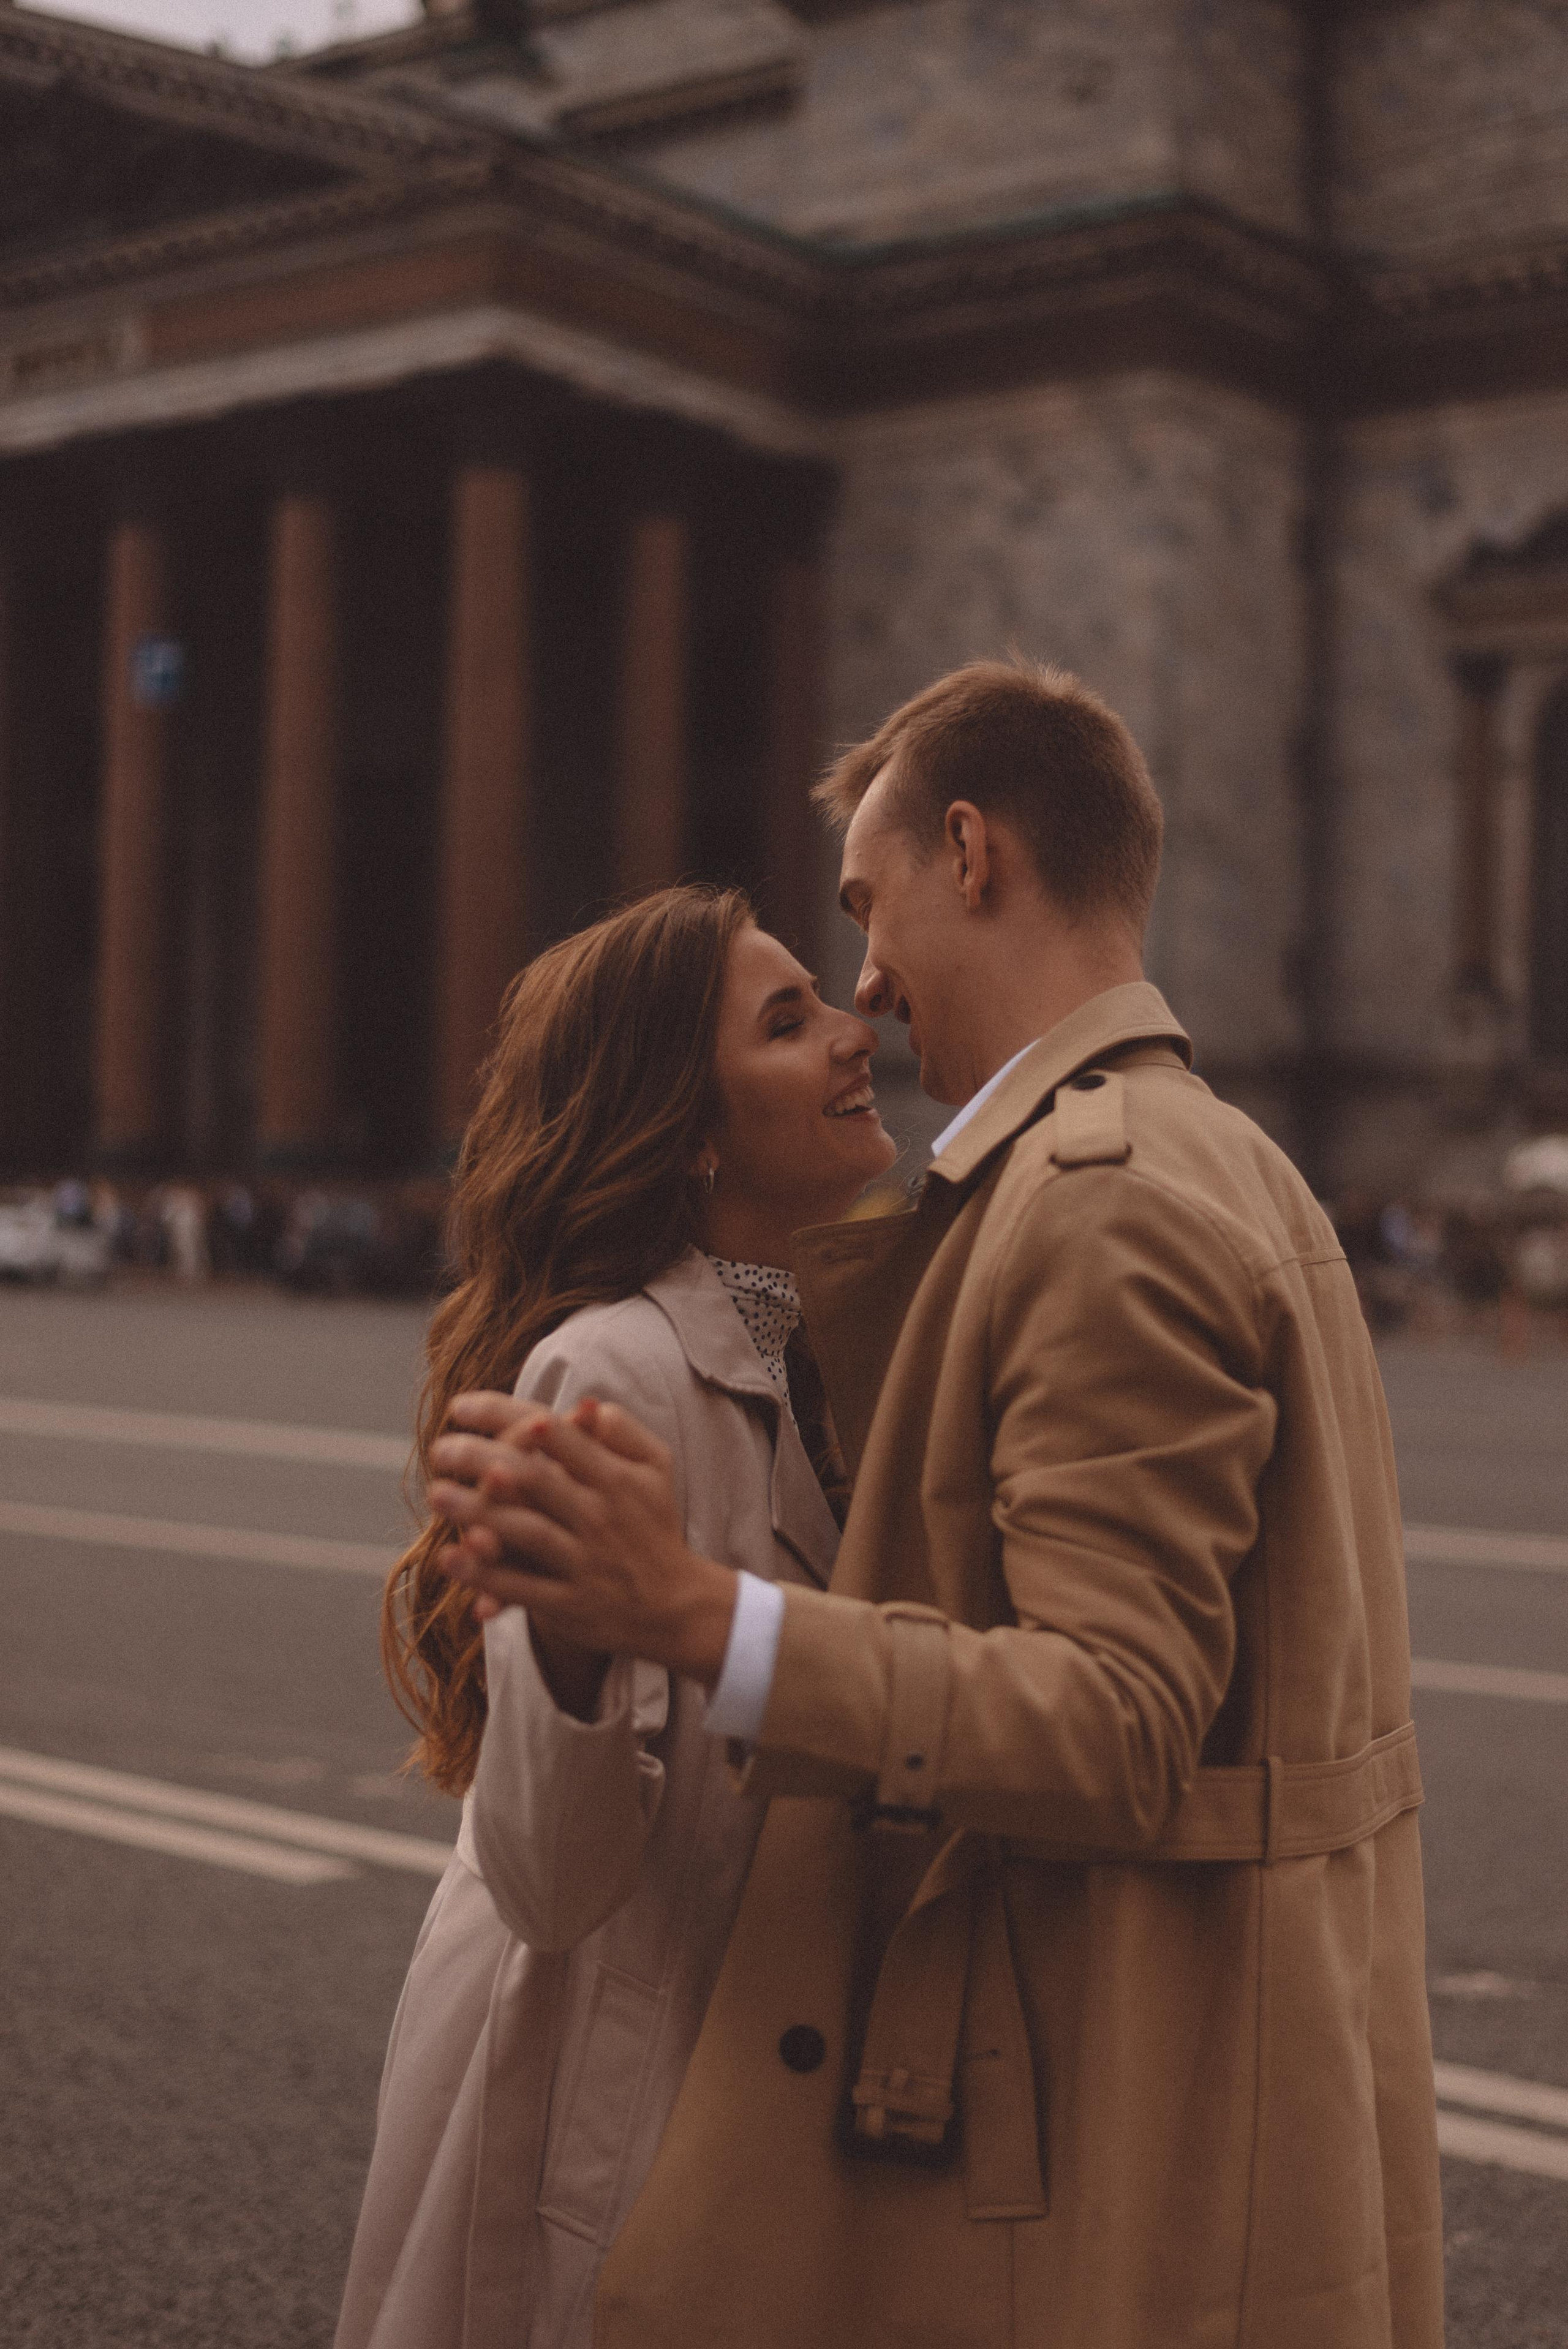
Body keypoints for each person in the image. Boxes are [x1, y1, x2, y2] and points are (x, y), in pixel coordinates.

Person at [433, 659, 1446, 2349]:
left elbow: (1120, 1718)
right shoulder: (1217, 1155)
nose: (865, 978)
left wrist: (699, 1620)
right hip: (1205, 2067)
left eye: (867, 898)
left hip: (1128, 2114)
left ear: (969, 852)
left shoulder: (1099, 1198)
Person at [334, 884, 897, 2349]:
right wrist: (577, 1647)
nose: (857, 1033)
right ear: (692, 1130)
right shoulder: (614, 1369)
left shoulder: (805, 1337)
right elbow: (550, 1874)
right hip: (608, 2072)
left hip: (741, 2056)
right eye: (789, 1022)